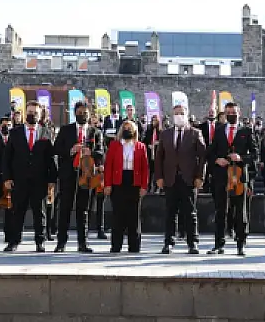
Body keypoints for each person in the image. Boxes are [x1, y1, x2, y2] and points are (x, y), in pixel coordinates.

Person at [2, 101, 57, 253]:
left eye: (35, 112)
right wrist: (7, 178)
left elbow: (51, 158)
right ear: (26, 113)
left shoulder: (46, 132)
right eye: (30, 112)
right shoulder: (15, 132)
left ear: (40, 115)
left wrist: (52, 180)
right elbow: (7, 158)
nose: (32, 115)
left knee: (40, 213)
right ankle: (14, 241)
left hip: (39, 180)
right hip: (19, 180)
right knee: (17, 212)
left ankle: (40, 242)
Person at [207, 102, 257, 256]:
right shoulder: (220, 130)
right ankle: (218, 244)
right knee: (220, 210)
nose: (231, 115)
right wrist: (217, 160)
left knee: (240, 212)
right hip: (222, 176)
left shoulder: (247, 131)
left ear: (239, 112)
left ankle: (240, 244)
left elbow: (255, 155)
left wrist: (241, 157)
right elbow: (211, 152)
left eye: (233, 112)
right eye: (228, 112)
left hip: (240, 177)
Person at [155, 105, 206, 254]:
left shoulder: (195, 133)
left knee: (190, 212)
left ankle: (193, 243)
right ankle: (168, 242)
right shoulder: (165, 134)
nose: (179, 116)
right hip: (170, 178)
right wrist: (158, 177)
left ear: (187, 115)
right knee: (170, 212)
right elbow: (159, 158)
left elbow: (202, 157)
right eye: (176, 113)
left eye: (182, 113)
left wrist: (200, 176)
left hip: (188, 179)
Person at [54, 101, 103, 253]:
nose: (83, 115)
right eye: (80, 112)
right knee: (65, 208)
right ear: (75, 113)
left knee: (84, 210)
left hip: (86, 174)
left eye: (86, 113)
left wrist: (92, 153)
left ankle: (83, 243)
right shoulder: (65, 130)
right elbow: (56, 148)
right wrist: (70, 150)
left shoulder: (95, 132)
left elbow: (101, 152)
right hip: (68, 173)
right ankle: (61, 243)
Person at [104, 120, 149, 253]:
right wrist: (107, 184)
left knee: (134, 216)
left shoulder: (141, 146)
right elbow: (108, 166)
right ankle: (116, 245)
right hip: (118, 182)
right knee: (118, 215)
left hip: (134, 182)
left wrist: (144, 186)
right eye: (125, 127)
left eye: (130, 128)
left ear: (135, 130)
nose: (127, 130)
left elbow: (145, 168)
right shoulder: (114, 145)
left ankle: (134, 246)